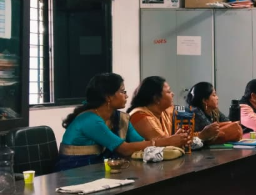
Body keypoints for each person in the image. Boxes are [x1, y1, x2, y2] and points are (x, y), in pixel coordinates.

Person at [58, 73, 187, 171]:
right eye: (122, 91)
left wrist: (174, 141)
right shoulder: (90, 120)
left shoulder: (120, 118)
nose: (126, 95)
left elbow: (140, 143)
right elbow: (124, 149)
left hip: (101, 168)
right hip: (76, 170)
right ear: (108, 97)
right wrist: (167, 142)